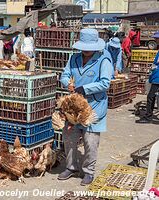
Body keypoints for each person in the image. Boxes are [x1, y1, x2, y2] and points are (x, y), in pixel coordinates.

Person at [59, 29, 113, 185]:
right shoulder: (74, 58)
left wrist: (85, 88)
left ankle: (89, 171)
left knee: (90, 142)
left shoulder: (104, 60)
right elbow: (65, 74)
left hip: (94, 107)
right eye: (84, 46)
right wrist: (67, 83)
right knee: (69, 138)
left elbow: (105, 83)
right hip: (73, 107)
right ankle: (71, 167)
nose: (86, 50)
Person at [136, 31, 159, 124]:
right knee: (152, 96)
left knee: (151, 96)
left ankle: (148, 116)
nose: (156, 40)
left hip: (157, 78)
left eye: (157, 38)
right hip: (156, 76)